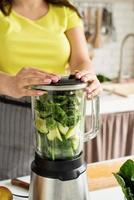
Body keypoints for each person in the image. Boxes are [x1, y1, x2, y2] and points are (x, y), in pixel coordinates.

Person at [0, 0, 102, 180]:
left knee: (60, 181)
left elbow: (81, 60)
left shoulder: (66, 11)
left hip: (61, 114)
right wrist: (8, 82)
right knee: (12, 185)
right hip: (8, 115)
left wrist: (87, 75)